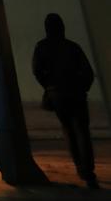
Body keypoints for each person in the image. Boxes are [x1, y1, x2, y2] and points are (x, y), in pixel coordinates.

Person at [32, 12, 98, 189]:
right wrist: (82, 88)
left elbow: (37, 71)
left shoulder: (42, 47)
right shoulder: (72, 47)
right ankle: (88, 173)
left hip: (58, 95)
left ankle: (80, 167)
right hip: (76, 94)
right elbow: (88, 72)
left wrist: (49, 86)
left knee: (69, 129)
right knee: (82, 131)